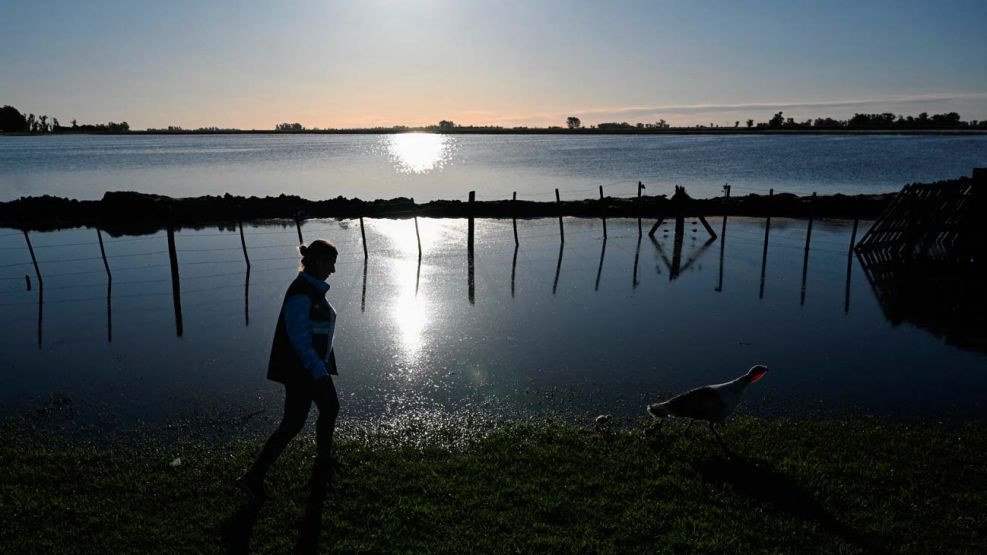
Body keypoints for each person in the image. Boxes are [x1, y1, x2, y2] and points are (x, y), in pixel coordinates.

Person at [238, 239, 342, 502]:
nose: (333, 270)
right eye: (331, 263)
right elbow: (298, 338)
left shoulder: (312, 289)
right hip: (305, 371)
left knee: (317, 413)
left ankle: (321, 465)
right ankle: (254, 477)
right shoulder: (300, 293)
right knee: (299, 420)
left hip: (312, 368)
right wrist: (317, 371)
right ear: (319, 262)